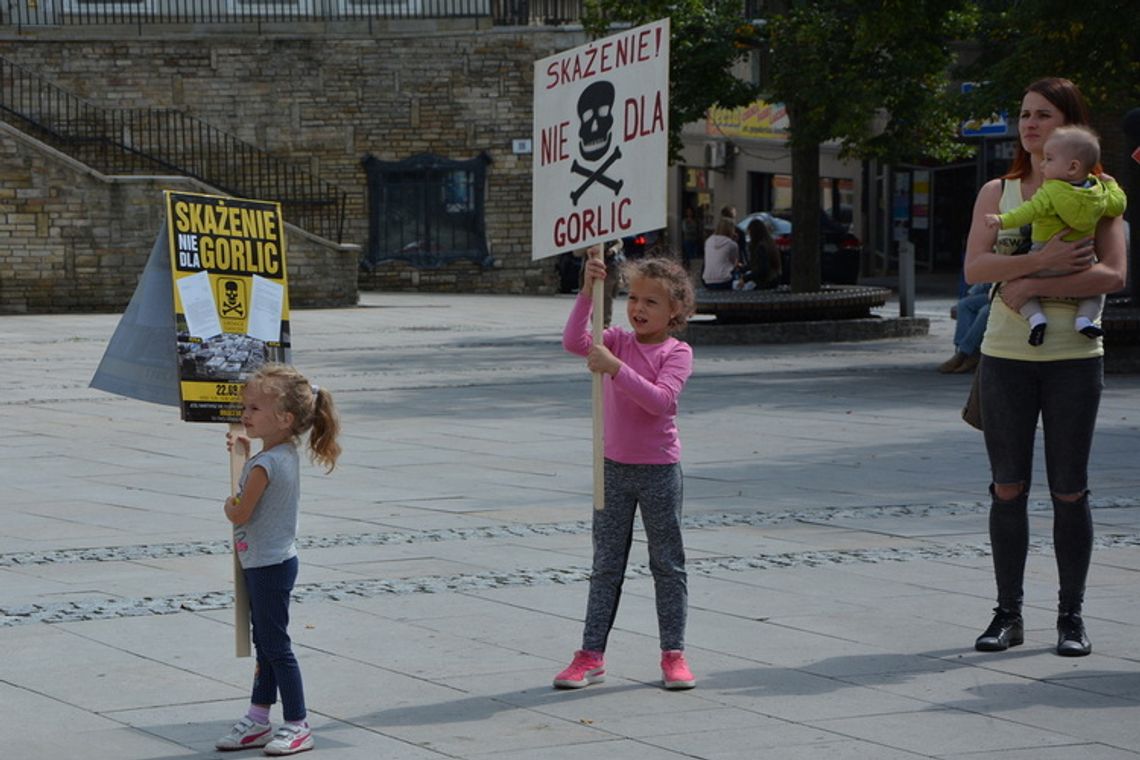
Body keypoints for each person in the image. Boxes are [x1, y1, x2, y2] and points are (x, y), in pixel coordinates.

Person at [963, 77, 1127, 658]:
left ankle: (1071, 617)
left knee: (1069, 490)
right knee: (1008, 488)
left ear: (1071, 126)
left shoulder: (1100, 192)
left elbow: (1113, 275)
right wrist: (1042, 258)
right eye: (1024, 114)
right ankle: (1007, 615)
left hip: (1074, 360)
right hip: (1006, 357)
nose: (1030, 124)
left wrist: (1031, 279)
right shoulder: (998, 192)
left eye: (1044, 115)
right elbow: (975, 269)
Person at [555, 247, 698, 691]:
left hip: (658, 469)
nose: (638, 308)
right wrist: (585, 293)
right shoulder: (614, 338)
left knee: (667, 564)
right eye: (633, 298)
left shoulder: (678, 352)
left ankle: (673, 653)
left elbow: (661, 401)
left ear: (675, 309)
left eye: (651, 302)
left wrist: (615, 370)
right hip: (613, 467)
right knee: (606, 564)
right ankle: (590, 654)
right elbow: (574, 342)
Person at [215, 364, 342, 755]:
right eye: (246, 407)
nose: (245, 415)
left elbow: (241, 513)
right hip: (272, 560)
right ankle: (257, 717)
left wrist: (228, 504)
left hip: (267, 564)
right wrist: (246, 454)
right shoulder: (282, 453)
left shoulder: (266, 466)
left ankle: (297, 722)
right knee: (266, 642)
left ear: (284, 419)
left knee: (275, 645)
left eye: (254, 409)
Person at [984, 125, 1127, 346]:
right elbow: (1118, 205)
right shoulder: (1098, 193)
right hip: (1082, 260)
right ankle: (1084, 319)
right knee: (1094, 294)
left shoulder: (1050, 191)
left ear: (1072, 167)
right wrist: (1112, 185)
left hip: (1042, 255)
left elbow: (1027, 211)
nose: (1043, 164)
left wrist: (1002, 220)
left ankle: (1036, 318)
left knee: (1013, 281)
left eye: (1049, 159)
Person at [938, 282, 992, 374]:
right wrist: (971, 293)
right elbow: (988, 280)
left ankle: (964, 354)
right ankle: (962, 351)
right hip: (993, 295)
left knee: (984, 312)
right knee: (963, 305)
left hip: (1009, 295)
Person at [576, 239, 623, 327]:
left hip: (609, 267)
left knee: (606, 296)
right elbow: (576, 252)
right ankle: (594, 323)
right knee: (588, 296)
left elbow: (619, 242)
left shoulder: (609, 228)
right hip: (590, 267)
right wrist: (589, 247)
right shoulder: (585, 233)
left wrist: (612, 250)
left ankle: (604, 323)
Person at [702, 216, 740, 290]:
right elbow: (735, 263)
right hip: (724, 281)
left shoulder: (708, 241)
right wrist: (735, 241)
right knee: (737, 272)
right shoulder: (732, 244)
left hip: (708, 281)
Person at [746, 217, 781, 289]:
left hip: (765, 282)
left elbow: (762, 269)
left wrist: (745, 278)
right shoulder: (769, 243)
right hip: (772, 279)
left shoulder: (761, 247)